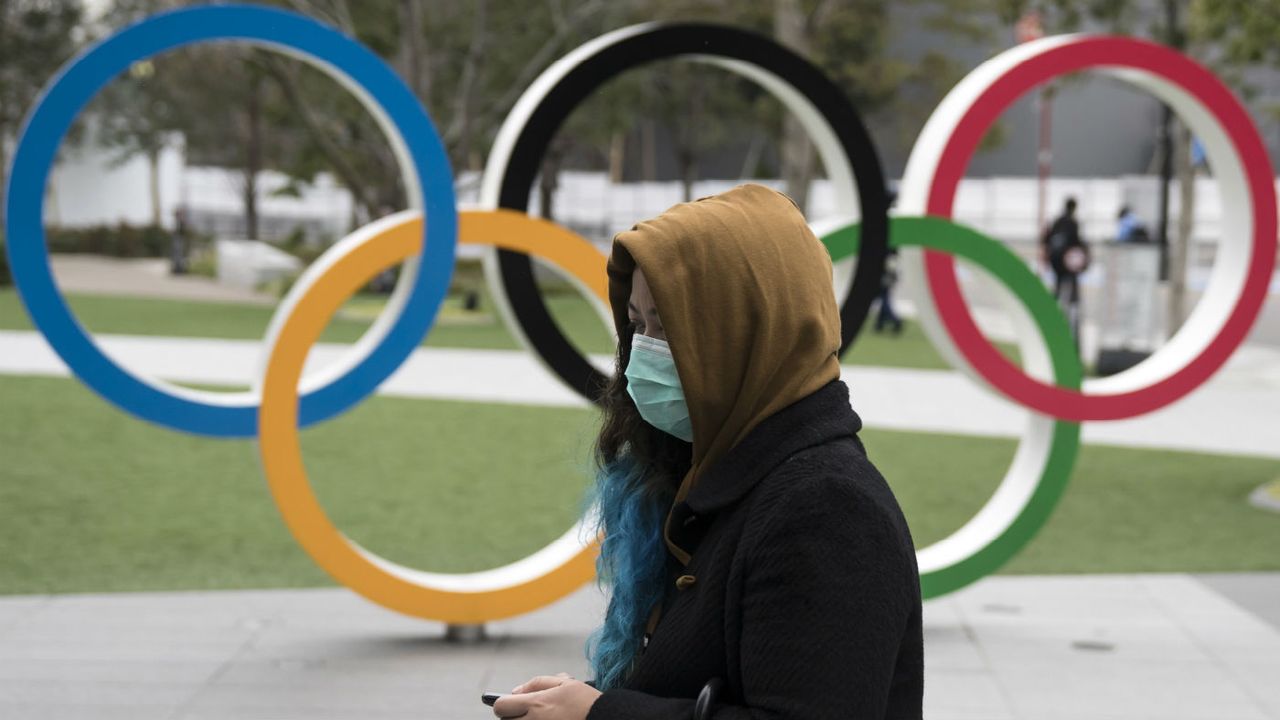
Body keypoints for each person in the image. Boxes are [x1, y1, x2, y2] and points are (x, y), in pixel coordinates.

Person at [494, 184, 923, 720]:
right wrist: (580, 702)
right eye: (636, 323)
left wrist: (603, 715)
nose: (641, 354)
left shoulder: (826, 508)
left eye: (668, 328)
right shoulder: (714, 470)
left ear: (750, 332)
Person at [1042, 197, 1089, 337]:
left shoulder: (1057, 220)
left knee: (1058, 286)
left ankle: (1052, 311)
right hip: (1067, 260)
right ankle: (1071, 315)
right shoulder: (1073, 222)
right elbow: (1076, 242)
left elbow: (1046, 239)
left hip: (1055, 259)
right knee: (1072, 288)